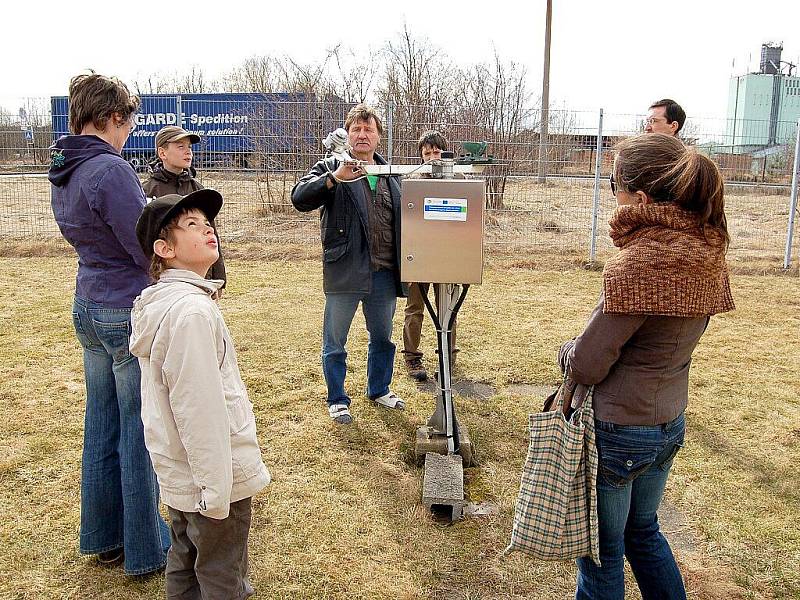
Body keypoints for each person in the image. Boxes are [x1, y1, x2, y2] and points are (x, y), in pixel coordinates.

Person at [558, 133, 734, 599]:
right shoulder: (707, 247)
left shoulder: (639, 264)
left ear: (638, 196)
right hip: (669, 419)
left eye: (613, 180)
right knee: (645, 533)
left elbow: (590, 363)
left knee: (602, 551)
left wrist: (567, 352)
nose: (610, 188)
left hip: (619, 428)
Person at [48, 72, 170, 575]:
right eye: (129, 123)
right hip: (124, 308)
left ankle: (104, 536)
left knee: (101, 423)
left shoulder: (66, 168)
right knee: (137, 427)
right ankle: (145, 547)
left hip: (89, 301)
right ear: (114, 117)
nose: (129, 134)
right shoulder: (110, 169)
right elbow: (142, 242)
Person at [130, 189, 271, 599]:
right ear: (165, 248)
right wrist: (215, 491)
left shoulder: (170, 303)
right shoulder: (191, 312)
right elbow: (199, 409)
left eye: (208, 223)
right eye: (192, 225)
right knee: (221, 571)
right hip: (211, 478)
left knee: (187, 559)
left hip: (183, 473)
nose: (208, 229)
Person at [291, 103, 406, 425]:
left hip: (384, 272)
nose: (362, 134)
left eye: (369, 129)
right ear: (348, 134)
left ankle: (379, 389)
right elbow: (299, 198)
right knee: (335, 341)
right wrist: (333, 179)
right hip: (345, 271)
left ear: (379, 137)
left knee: (382, 338)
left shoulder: (390, 175)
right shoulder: (331, 166)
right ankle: (338, 399)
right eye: (356, 128)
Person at [401, 130, 459, 382]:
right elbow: (405, 222)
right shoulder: (411, 182)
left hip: (449, 255)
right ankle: (412, 356)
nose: (433, 157)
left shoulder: (457, 180)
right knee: (415, 308)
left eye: (437, 152)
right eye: (427, 153)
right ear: (421, 156)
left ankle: (447, 357)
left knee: (449, 309)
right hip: (420, 256)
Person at [142, 125, 226, 287]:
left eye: (189, 147)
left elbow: (211, 233)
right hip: (161, 277)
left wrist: (218, 277)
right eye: (180, 147)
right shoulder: (148, 191)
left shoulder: (197, 190)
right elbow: (145, 239)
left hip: (196, 275)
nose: (188, 152)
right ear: (162, 153)